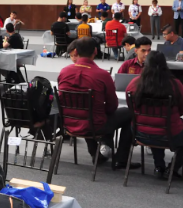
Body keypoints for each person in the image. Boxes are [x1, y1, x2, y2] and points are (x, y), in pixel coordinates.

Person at [57, 37, 137, 170]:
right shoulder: (102, 75)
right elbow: (112, 106)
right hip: (95, 125)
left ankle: (97, 153)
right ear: (95, 51)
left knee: (87, 112)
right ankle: (121, 158)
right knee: (129, 113)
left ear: (75, 51)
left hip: (69, 123)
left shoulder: (64, 72)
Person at [126, 51, 183, 179]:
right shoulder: (175, 84)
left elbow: (131, 108)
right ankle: (172, 168)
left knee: (155, 128)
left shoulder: (134, 84)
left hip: (140, 133)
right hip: (170, 133)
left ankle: (159, 166)